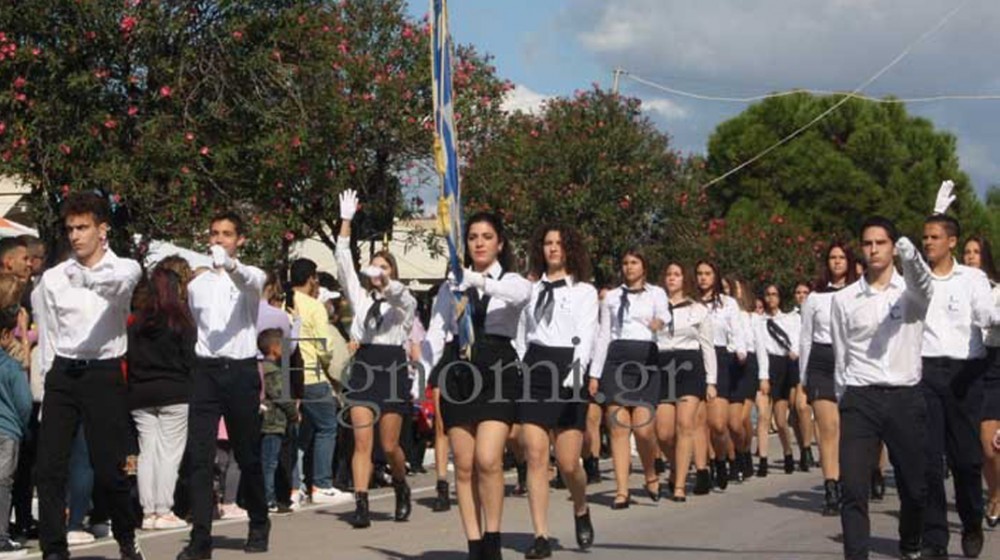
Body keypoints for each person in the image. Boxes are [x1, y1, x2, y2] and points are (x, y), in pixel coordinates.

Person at [33, 192, 144, 560]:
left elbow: (117, 289)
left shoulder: (125, 268)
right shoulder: (53, 278)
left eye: (83, 228)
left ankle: (126, 538)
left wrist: (86, 278)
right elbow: (49, 335)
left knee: (109, 470)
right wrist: (46, 387)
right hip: (63, 372)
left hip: (103, 372)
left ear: (102, 229)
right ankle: (54, 550)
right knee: (49, 467)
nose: (76, 236)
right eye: (71, 229)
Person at [423, 211, 531, 559]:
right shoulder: (450, 286)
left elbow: (520, 296)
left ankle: (493, 538)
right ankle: (474, 544)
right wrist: (420, 376)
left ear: (499, 243)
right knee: (465, 464)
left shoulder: (511, 280)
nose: (479, 243)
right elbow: (436, 333)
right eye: (472, 237)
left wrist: (476, 281)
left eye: (487, 237)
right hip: (459, 373)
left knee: (488, 458)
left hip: (498, 371)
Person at [832, 216, 932, 560]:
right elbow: (842, 354)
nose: (873, 249)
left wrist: (911, 254)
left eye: (881, 243)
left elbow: (924, 284)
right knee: (853, 487)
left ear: (893, 247)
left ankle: (910, 540)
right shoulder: (844, 299)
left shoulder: (911, 294)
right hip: (860, 397)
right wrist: (844, 398)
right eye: (867, 243)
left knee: (915, 488)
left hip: (905, 397)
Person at [178, 211, 269, 560]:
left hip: (240, 371)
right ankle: (201, 537)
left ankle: (259, 520)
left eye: (227, 234)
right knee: (200, 456)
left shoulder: (251, 277)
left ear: (239, 240)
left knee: (247, 453)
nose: (219, 239)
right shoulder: (196, 285)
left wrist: (229, 265)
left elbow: (248, 279)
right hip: (206, 372)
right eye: (214, 233)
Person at [335, 190, 417, 529]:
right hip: (365, 364)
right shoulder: (361, 298)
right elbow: (343, 260)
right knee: (362, 441)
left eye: (384, 267)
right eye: (375, 267)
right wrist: (346, 221)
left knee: (390, 444)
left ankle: (400, 484)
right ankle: (361, 503)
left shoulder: (403, 301)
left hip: (392, 366)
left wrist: (387, 283)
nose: (377, 272)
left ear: (392, 272)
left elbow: (403, 300)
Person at [514, 224, 597, 558]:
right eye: (547, 243)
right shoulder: (530, 290)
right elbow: (521, 333)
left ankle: (581, 506)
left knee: (568, 462)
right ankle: (541, 536)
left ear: (569, 248)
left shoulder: (585, 292)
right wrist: (522, 364)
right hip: (535, 368)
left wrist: (576, 373)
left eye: (559, 243)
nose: (552, 248)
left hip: (569, 368)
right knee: (536, 455)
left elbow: (587, 335)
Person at [919, 209, 995, 559]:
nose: (928, 242)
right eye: (925, 237)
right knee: (929, 461)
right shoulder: (917, 278)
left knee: (966, 461)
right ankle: (935, 538)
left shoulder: (972, 278)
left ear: (951, 241)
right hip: (926, 371)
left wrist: (991, 317)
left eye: (935, 237)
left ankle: (972, 521)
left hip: (966, 374)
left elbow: (984, 311)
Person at [589, 248, 669, 510]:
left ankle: (650, 474)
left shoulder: (656, 293)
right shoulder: (611, 297)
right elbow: (603, 335)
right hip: (616, 360)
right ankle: (622, 491)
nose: (629, 267)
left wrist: (659, 322)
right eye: (625, 263)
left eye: (634, 262)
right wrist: (595, 374)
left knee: (644, 429)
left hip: (646, 359)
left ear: (644, 266)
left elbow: (665, 314)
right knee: (618, 426)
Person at [128, 265, 196, 531]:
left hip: (140, 392)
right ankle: (164, 509)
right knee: (169, 452)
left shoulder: (136, 322)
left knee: (147, 452)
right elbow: (190, 358)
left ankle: (148, 512)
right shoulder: (181, 321)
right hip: (174, 391)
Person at [800, 241, 858, 516]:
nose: (837, 261)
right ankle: (831, 489)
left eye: (841, 257)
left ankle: (852, 480)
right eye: (832, 257)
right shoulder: (815, 298)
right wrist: (803, 377)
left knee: (848, 429)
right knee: (828, 427)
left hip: (852, 361)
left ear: (849, 261)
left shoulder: (860, 292)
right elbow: (805, 338)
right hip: (821, 362)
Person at [655, 261, 716, 501]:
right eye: (668, 274)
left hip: (689, 365)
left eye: (677, 274)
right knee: (663, 432)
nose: (672, 278)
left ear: (684, 279)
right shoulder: (655, 308)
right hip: (662, 365)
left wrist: (711, 381)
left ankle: (679, 485)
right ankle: (677, 465)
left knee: (685, 425)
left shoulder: (697, 309)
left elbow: (707, 346)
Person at [288, 259, 342, 504]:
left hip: (286, 375)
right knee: (327, 427)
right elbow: (325, 347)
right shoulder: (314, 306)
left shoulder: (283, 302)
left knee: (299, 433)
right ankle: (321, 484)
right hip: (312, 374)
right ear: (311, 278)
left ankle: (294, 487)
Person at [962, 235, 1000, 528]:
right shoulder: (957, 289)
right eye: (967, 252)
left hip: (995, 365)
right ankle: (995, 491)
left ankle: (996, 496)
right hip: (968, 366)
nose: (971, 256)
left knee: (990, 444)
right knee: (979, 444)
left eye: (976, 252)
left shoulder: (997, 290)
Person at [695, 260, 740, 487]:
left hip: (721, 358)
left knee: (718, 424)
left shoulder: (727, 303)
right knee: (700, 421)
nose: (703, 277)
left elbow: (736, 331)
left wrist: (737, 351)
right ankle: (705, 466)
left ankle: (722, 458)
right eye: (699, 273)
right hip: (696, 358)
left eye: (708, 273)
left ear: (715, 276)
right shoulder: (691, 303)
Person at [0, 273, 32, 556]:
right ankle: (0, 536)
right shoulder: (11, 367)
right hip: (8, 432)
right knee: (3, 484)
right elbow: (24, 403)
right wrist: (25, 427)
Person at [758, 283, 799, 475]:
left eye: (774, 294)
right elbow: (760, 349)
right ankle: (763, 460)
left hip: (785, 365)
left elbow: (796, 340)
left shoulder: (790, 319)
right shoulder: (759, 321)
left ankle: (788, 452)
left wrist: (794, 352)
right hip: (766, 365)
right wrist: (763, 376)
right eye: (768, 294)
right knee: (763, 416)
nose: (771, 298)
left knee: (781, 420)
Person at [257, 329, 299, 512]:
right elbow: (282, 396)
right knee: (269, 463)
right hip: (272, 423)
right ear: (274, 347)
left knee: (266, 461)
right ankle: (268, 500)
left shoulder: (260, 367)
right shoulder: (273, 371)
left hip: (264, 421)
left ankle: (265, 497)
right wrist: (294, 414)